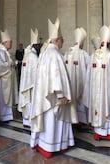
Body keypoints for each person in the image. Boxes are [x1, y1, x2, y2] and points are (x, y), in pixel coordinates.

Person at [30, 18, 77, 158]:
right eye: (62, 40)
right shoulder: (55, 55)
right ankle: (53, 145)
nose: (63, 43)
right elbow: (57, 78)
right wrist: (62, 95)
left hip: (44, 97)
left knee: (47, 120)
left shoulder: (44, 54)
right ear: (57, 40)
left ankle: (43, 144)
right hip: (54, 97)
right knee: (54, 121)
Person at [82, 25, 110, 141]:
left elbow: (88, 78)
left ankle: (98, 133)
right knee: (109, 106)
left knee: (98, 106)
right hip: (109, 94)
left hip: (96, 95)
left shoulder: (92, 57)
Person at [0, 29, 18, 122]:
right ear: (4, 42)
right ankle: (2, 115)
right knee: (1, 98)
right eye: (10, 42)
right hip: (1, 81)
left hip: (7, 80)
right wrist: (9, 64)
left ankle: (6, 115)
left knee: (6, 97)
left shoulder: (6, 52)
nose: (11, 44)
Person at [64, 27, 90, 125]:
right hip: (81, 85)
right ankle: (81, 121)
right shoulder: (84, 54)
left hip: (69, 85)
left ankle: (71, 119)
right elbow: (89, 69)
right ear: (82, 43)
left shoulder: (67, 53)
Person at [18, 28, 40, 128]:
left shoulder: (27, 54)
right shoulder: (33, 57)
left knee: (27, 102)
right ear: (35, 46)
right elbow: (36, 72)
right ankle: (30, 121)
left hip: (26, 83)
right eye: (39, 45)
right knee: (30, 101)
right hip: (31, 85)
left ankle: (26, 121)